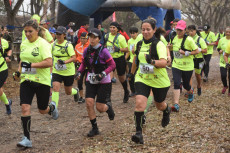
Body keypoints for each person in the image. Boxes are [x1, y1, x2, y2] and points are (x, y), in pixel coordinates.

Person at [14, 20, 58, 148]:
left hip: (41, 80)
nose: (27, 34)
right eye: (25, 31)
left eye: (30, 31)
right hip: (26, 79)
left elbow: (49, 62)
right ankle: (26, 139)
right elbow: (22, 60)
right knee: (24, 107)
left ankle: (52, 108)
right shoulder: (24, 43)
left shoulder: (43, 44)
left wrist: (31, 65)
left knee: (42, 109)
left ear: (37, 31)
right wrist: (18, 72)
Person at [128, 18, 171, 144]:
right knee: (140, 103)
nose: (145, 32)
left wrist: (152, 61)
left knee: (159, 105)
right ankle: (138, 133)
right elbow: (136, 59)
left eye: (148, 29)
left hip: (159, 80)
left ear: (154, 30)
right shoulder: (139, 44)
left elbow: (164, 63)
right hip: (142, 78)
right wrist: (131, 73)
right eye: (143, 29)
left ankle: (166, 110)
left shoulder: (159, 44)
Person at [76, 28, 116, 137]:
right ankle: (94, 128)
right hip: (91, 79)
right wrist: (79, 72)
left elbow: (112, 65)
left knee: (100, 108)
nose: (92, 40)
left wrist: (103, 73)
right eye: (90, 37)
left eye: (95, 37)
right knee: (89, 103)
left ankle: (108, 107)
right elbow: (84, 64)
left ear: (99, 39)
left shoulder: (104, 51)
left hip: (104, 81)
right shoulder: (86, 50)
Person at [170, 20, 199, 112]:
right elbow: (173, 49)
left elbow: (197, 51)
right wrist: (169, 48)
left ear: (185, 30)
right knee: (177, 83)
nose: (179, 32)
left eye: (181, 30)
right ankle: (176, 104)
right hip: (176, 65)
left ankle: (190, 91)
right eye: (177, 30)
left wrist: (186, 53)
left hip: (187, 66)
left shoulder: (189, 40)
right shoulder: (174, 38)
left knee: (186, 85)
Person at [51, 26, 80, 111]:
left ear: (64, 35)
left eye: (60, 34)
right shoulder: (53, 44)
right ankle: (54, 108)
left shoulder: (68, 45)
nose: (58, 35)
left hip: (68, 72)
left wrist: (64, 62)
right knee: (55, 88)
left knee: (68, 92)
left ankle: (76, 91)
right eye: (57, 34)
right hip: (57, 71)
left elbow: (74, 58)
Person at [104, 22, 129, 103]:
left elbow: (127, 49)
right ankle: (108, 97)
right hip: (109, 59)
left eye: (114, 27)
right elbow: (104, 46)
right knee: (109, 78)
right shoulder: (106, 36)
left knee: (121, 78)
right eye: (110, 27)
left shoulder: (121, 37)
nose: (112, 29)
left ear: (117, 29)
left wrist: (119, 49)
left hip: (119, 59)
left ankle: (126, 91)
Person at [188, 25, 207, 96]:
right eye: (189, 31)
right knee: (189, 74)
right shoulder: (187, 38)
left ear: (195, 31)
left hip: (198, 59)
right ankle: (190, 90)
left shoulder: (200, 39)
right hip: (190, 58)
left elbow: (205, 50)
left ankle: (199, 86)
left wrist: (199, 50)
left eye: (192, 31)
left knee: (197, 74)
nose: (190, 32)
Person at [75, 32, 89, 103]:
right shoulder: (77, 46)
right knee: (79, 81)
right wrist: (76, 61)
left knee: (87, 82)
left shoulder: (90, 46)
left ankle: (89, 96)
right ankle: (81, 97)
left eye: (84, 39)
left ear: (87, 39)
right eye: (81, 38)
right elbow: (75, 56)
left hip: (88, 67)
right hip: (80, 66)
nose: (83, 40)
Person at [0, 30, 12, 115]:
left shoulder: (3, 42)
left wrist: (8, 56)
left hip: (2, 69)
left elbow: (10, 49)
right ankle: (7, 103)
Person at [125, 27, 139, 97]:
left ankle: (138, 91)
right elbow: (128, 51)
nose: (132, 35)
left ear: (137, 33)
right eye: (131, 33)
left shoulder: (139, 40)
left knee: (137, 76)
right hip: (131, 61)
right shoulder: (129, 41)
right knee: (130, 77)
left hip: (138, 61)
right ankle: (132, 91)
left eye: (134, 33)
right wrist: (125, 58)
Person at [217, 27, 230, 95]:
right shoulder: (221, 40)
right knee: (223, 75)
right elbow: (218, 48)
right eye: (226, 32)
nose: (228, 33)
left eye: (229, 32)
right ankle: (225, 85)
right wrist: (220, 51)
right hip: (223, 61)